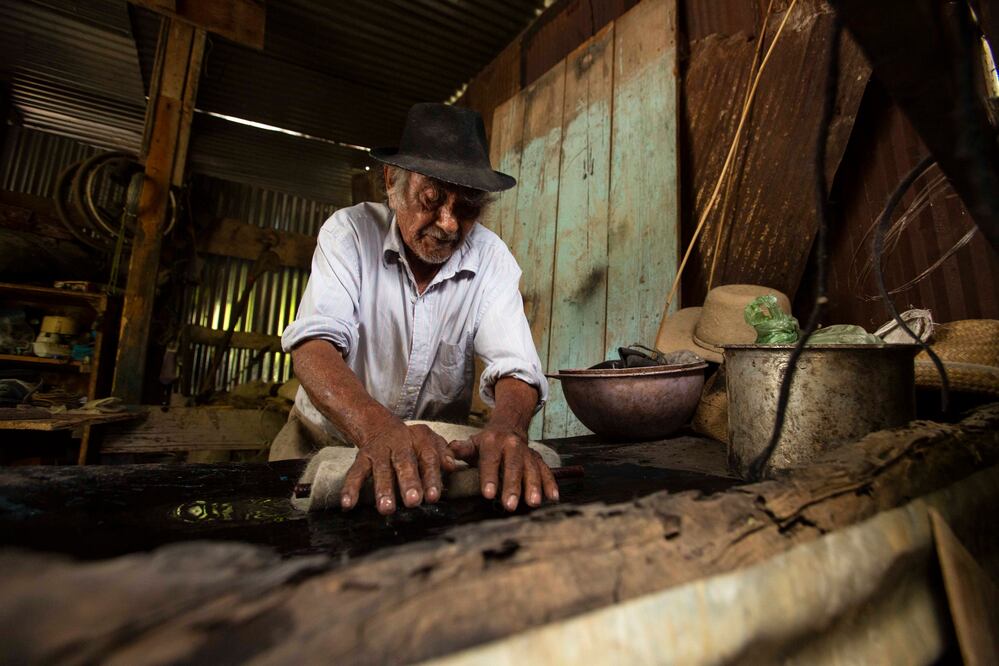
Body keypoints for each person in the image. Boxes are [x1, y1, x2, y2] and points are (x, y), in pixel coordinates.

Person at [271, 103, 559, 515]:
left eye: (468, 207)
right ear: (393, 182)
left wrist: (507, 428)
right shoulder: (349, 233)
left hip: (431, 457)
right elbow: (313, 348)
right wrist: (377, 430)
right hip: (324, 440)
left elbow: (517, 367)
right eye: (432, 198)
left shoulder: (491, 260)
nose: (449, 224)